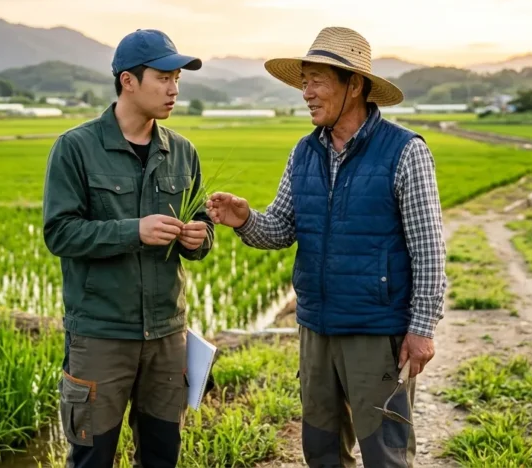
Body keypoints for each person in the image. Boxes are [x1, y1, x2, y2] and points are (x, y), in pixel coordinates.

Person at [205, 27, 447, 468]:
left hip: (377, 332)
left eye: (317, 80)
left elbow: (428, 247)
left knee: (385, 454)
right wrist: (244, 218)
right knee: (320, 451)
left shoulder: (405, 151)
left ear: (354, 85)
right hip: (316, 329)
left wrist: (423, 327)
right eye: (303, 82)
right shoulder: (304, 152)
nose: (307, 93)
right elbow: (280, 228)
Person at [42, 29, 215, 467]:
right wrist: (132, 231)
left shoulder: (183, 152)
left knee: (162, 456)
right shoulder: (76, 148)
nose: (174, 89)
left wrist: (199, 238)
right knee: (91, 458)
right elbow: (59, 233)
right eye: (163, 77)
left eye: (177, 79)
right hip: (100, 336)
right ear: (128, 81)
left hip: (166, 336)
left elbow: (202, 228)